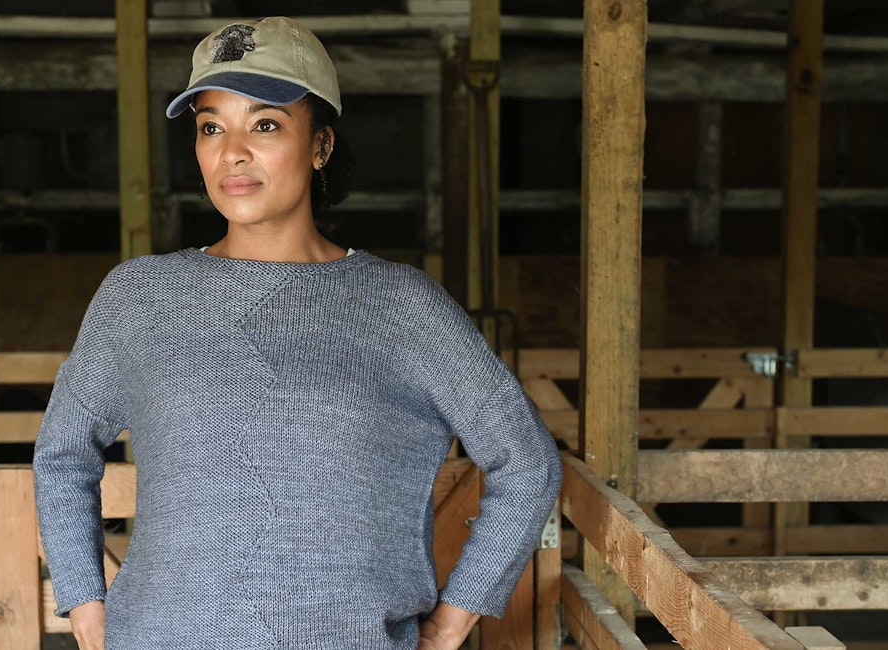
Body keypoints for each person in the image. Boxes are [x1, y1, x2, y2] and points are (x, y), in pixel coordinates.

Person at [32, 16, 563, 650]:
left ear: (320, 146)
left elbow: (526, 461)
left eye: (265, 124)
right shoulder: (139, 296)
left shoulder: (399, 305)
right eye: (210, 126)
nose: (233, 151)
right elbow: (64, 452)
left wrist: (455, 619)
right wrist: (88, 608)